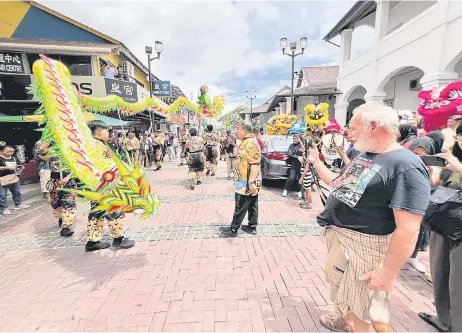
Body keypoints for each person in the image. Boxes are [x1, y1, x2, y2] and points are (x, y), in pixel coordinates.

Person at [308, 103, 430, 332]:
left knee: (362, 311)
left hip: (366, 249)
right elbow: (337, 184)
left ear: (373, 126)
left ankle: (353, 323)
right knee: (346, 291)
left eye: (353, 128)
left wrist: (387, 273)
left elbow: (409, 228)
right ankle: (344, 317)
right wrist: (317, 162)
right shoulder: (366, 154)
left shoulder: (406, 165)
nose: (348, 133)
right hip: (344, 243)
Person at [418, 123, 462, 332]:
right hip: (443, 221)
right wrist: (435, 169)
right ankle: (444, 319)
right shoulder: (454, 156)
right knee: (440, 272)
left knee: (458, 280)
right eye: (459, 136)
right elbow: (437, 184)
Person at [85, 120, 135, 252]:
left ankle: (92, 241)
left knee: (97, 212)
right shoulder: (98, 145)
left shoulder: (92, 144)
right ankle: (118, 238)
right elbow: (106, 166)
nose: (109, 133)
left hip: (94, 185)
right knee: (113, 209)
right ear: (99, 131)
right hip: (104, 184)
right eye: (107, 131)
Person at [220, 121, 262, 237]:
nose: (236, 132)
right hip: (244, 180)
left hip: (247, 181)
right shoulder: (245, 142)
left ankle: (234, 228)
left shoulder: (252, 143)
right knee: (252, 204)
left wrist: (251, 182)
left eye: (238, 129)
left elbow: (254, 164)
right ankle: (251, 227)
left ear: (245, 131)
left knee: (241, 204)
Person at [38, 141, 77, 237]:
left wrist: (68, 177)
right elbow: (42, 150)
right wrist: (50, 136)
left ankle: (66, 227)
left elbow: (77, 165)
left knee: (69, 203)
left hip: (69, 181)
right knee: (56, 203)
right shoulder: (50, 151)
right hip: (55, 181)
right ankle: (61, 217)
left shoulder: (73, 149)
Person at [0, 144, 29, 215]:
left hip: (13, 177)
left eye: (11, 152)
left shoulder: (15, 158)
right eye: (8, 152)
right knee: (2, 195)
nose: (10, 153)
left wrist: (20, 168)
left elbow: (18, 166)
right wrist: (6, 167)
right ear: (1, 151)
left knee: (17, 192)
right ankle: (3, 208)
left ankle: (18, 204)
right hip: (2, 179)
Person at [283, 134, 303, 199]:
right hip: (294, 164)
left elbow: (305, 153)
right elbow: (289, 153)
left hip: (302, 165)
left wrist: (301, 156)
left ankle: (299, 191)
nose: (294, 139)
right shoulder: (291, 146)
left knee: (300, 179)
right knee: (292, 178)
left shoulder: (301, 146)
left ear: (299, 139)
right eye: (294, 138)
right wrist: (298, 157)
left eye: (296, 138)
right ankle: (285, 189)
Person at [299, 137, 313, 209]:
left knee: (308, 190)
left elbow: (307, 167)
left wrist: (301, 178)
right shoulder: (307, 152)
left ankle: (309, 203)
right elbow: (303, 148)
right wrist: (300, 141)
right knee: (307, 189)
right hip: (306, 174)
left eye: (304, 143)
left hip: (306, 174)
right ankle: (307, 201)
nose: (303, 144)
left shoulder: (309, 154)